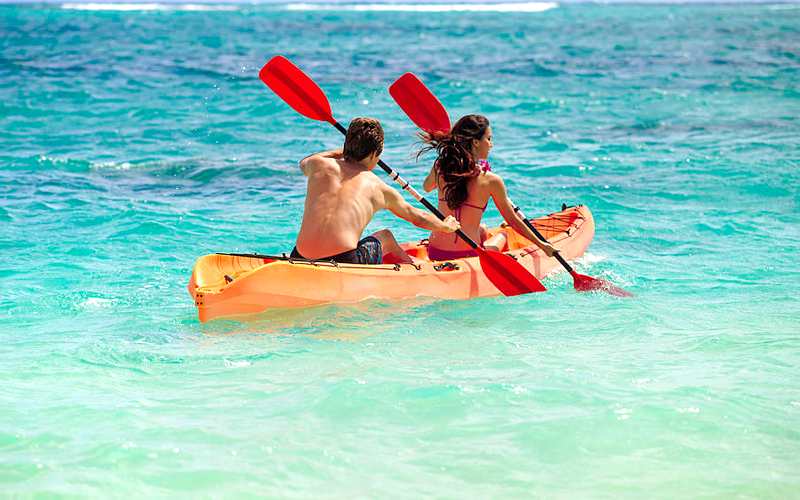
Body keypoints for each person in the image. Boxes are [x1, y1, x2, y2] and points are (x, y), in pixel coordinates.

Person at [291, 117, 460, 265]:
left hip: (299, 256)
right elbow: (418, 218)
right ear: (374, 154)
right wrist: (445, 226)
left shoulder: (318, 165)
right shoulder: (378, 187)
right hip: (344, 261)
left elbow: (304, 162)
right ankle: (414, 270)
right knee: (386, 236)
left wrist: (348, 150)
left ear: (347, 146)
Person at [419, 114, 558, 261]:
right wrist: (543, 245)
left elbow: (427, 187)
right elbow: (513, 222)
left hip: (436, 251)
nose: (491, 145)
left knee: (483, 229)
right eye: (489, 139)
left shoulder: (441, 167)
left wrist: (447, 169)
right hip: (467, 254)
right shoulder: (492, 180)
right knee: (503, 235)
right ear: (476, 142)